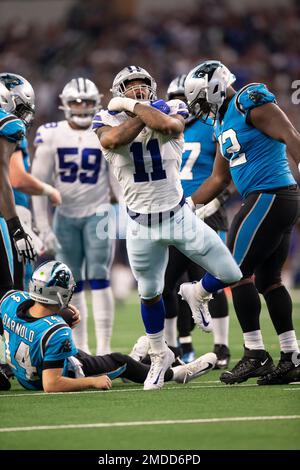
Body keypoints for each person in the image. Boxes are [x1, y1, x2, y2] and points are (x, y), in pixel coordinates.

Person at [92, 65, 242, 390]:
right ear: (119, 90)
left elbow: (167, 125)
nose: (138, 92)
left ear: (152, 88)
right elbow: (114, 139)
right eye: (130, 88)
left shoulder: (172, 107)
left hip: (179, 216)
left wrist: (131, 108)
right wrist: (137, 113)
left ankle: (197, 291)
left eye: (142, 87)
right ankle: (160, 354)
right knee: (150, 293)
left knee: (232, 272)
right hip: (140, 225)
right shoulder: (105, 120)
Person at [184, 60, 300, 385]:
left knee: (233, 269)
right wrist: (185, 205)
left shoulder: (247, 99)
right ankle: (291, 356)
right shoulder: (221, 122)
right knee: (268, 281)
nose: (201, 109)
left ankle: (254, 353)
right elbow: (218, 179)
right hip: (269, 198)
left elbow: (292, 137)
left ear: (216, 88)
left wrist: (201, 288)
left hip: (271, 194)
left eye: (202, 101)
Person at [0, 261, 217, 392]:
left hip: (26, 374)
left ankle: (142, 357)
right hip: (54, 375)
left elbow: (32, 328)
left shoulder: (11, 301)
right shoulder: (57, 330)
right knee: (119, 361)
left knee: (80, 354)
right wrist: (91, 382)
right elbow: (52, 384)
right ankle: (177, 373)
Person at [32, 78, 115, 356]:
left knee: (100, 277)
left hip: (99, 212)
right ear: (65, 104)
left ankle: (103, 348)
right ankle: (81, 347)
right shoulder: (51, 133)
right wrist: (43, 227)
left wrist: (125, 209)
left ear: (97, 103)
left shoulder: (104, 129)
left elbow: (117, 178)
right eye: (77, 102)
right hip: (64, 216)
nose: (82, 107)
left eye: (87, 102)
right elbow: (37, 184)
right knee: (71, 283)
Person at [163, 74, 231, 367]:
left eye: (185, 99)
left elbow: (228, 169)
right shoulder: (163, 129)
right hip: (174, 212)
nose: (182, 105)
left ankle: (222, 346)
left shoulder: (211, 124)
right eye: (175, 99)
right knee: (164, 283)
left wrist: (216, 200)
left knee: (214, 278)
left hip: (208, 210)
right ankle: (169, 346)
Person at [0, 73, 37, 304]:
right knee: (10, 292)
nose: (24, 115)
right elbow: (1, 172)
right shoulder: (9, 123)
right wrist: (15, 226)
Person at [9, 134, 61, 290]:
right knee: (18, 284)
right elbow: (18, 179)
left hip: (10, 214)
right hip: (10, 215)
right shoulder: (9, 128)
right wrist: (50, 191)